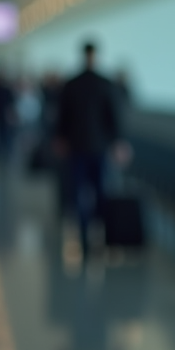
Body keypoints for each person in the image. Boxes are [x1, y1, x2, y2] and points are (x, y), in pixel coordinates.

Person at [56, 41, 128, 261]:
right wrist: (118, 142)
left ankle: (85, 236)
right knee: (100, 190)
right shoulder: (105, 83)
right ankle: (100, 233)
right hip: (98, 147)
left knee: (79, 192)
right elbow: (113, 116)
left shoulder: (72, 84)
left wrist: (60, 139)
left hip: (77, 146)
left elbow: (62, 116)